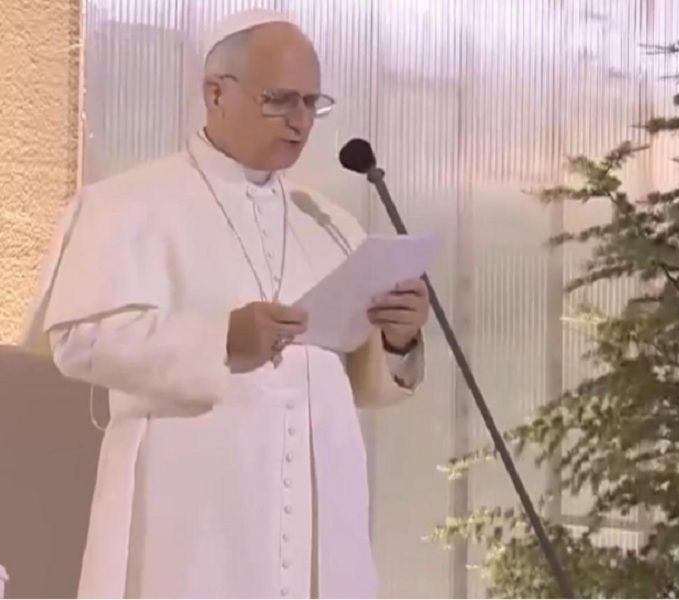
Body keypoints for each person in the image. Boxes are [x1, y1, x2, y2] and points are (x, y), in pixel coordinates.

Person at [21, 9, 428, 598]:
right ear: (216, 93)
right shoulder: (126, 205)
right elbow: (78, 342)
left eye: (312, 103)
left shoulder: (330, 223)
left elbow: (357, 377)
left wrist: (397, 339)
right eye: (280, 100)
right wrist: (220, 339)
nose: (299, 121)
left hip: (321, 525)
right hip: (194, 522)